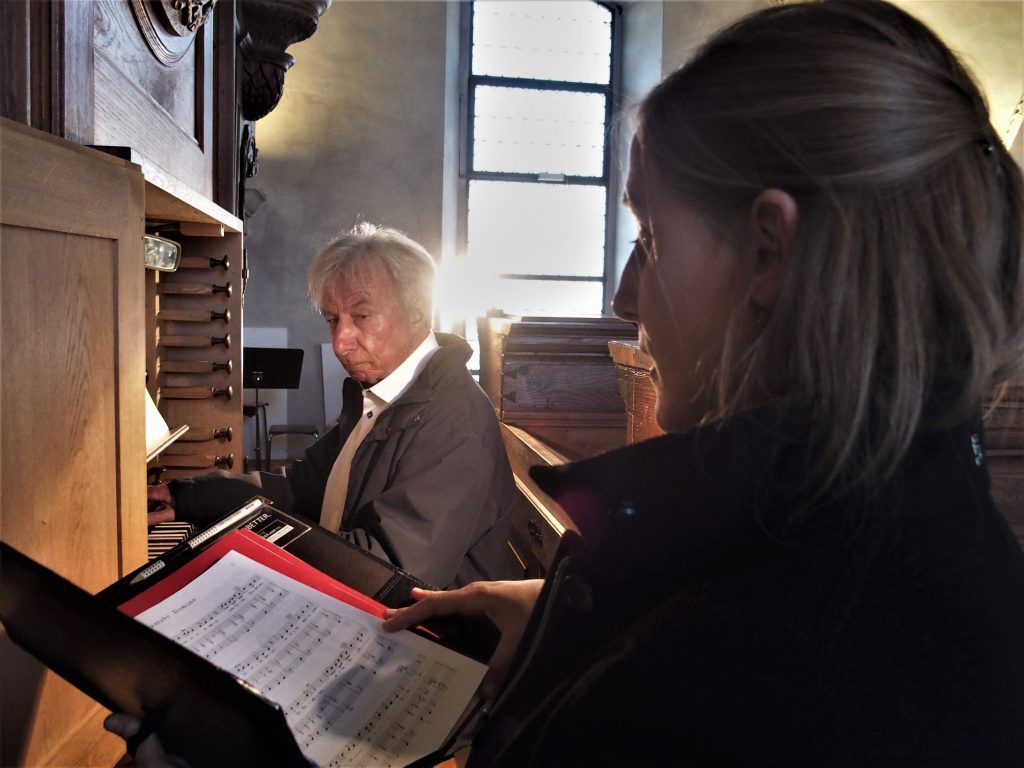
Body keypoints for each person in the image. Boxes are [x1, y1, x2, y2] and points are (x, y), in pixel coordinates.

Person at [110, 0, 1024, 764]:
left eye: (650, 238)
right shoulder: (885, 525)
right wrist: (574, 624)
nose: (626, 296)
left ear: (770, 251)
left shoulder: (764, 667)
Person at [148, 223, 519, 588]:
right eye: (332, 320)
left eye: (361, 316)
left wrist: (245, 550)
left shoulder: (455, 421)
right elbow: (297, 491)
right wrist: (187, 497)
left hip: (427, 636)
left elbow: (390, 573)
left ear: (418, 311)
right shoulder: (377, 396)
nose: (340, 343)